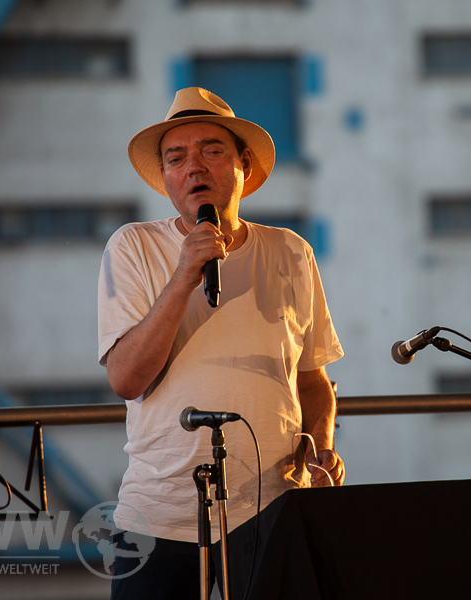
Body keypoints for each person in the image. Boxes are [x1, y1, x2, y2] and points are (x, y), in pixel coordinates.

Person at [97, 87, 344, 598]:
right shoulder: (133, 245)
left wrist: (322, 447)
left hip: (273, 507)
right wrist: (184, 275)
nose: (194, 167)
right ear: (165, 176)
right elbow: (125, 379)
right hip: (159, 515)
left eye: (211, 150)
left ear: (243, 164)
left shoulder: (290, 251)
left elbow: (312, 381)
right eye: (176, 157)